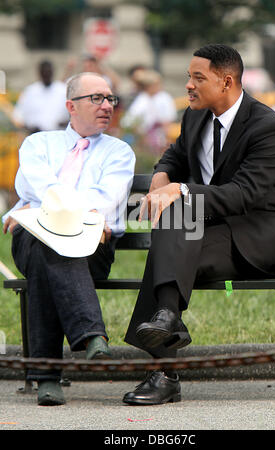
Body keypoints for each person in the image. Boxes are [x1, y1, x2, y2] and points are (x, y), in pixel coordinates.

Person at [123, 44, 275, 405]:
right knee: (175, 222)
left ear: (227, 81)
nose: (188, 84)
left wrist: (181, 188)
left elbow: (243, 195)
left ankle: (164, 372)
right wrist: (162, 175)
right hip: (204, 235)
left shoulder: (268, 127)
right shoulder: (195, 116)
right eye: (189, 76)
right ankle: (168, 317)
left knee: (168, 246)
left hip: (257, 239)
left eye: (197, 78)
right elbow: (175, 153)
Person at [2, 72, 135, 406]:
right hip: (38, 239)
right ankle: (92, 333)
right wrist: (70, 205)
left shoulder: (120, 153)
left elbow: (106, 199)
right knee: (47, 241)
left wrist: (49, 206)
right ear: (70, 106)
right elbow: (35, 186)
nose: (107, 106)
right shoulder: (38, 144)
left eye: (110, 99)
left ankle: (46, 375)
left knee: (46, 248)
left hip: (93, 247)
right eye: (97, 98)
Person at [121, 69, 177, 153]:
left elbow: (168, 120)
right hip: (141, 139)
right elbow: (129, 121)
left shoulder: (164, 97)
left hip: (160, 137)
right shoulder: (141, 99)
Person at [13, 60, 69, 133]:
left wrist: (66, 123)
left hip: (59, 134)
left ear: (52, 72)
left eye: (48, 72)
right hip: (35, 136)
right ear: (39, 73)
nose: (46, 74)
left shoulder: (63, 90)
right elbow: (18, 115)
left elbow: (74, 112)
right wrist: (29, 127)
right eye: (44, 72)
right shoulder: (30, 91)